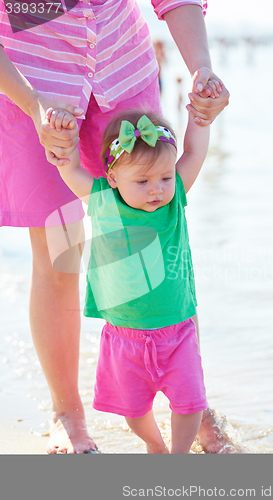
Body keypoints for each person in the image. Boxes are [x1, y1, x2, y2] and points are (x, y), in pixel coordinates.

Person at [0, 0, 230, 453]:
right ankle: (67, 413)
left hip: (121, 71)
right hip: (32, 85)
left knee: (156, 244)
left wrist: (202, 68)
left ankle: (191, 401)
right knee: (60, 255)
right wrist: (33, 103)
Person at [46, 104, 213, 453]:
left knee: (191, 402)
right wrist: (65, 135)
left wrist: (200, 120)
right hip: (124, 336)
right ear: (113, 179)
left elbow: (195, 150)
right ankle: (155, 445)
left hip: (177, 329)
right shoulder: (101, 201)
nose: (156, 190)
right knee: (133, 411)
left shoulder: (174, 199)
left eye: (165, 178)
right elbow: (69, 166)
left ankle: (178, 457)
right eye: (142, 181)